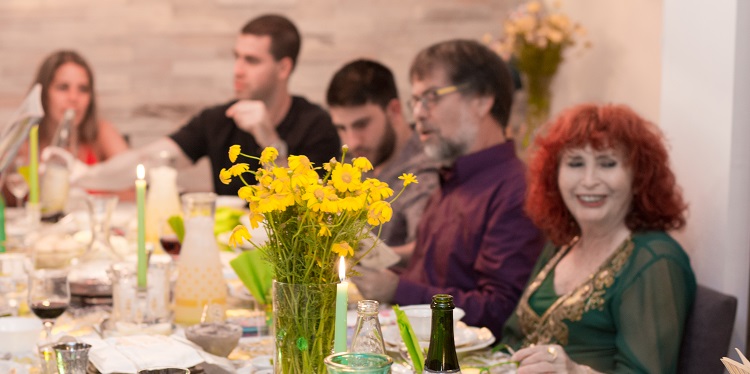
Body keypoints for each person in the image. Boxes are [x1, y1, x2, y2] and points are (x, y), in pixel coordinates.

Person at [350, 40, 545, 338]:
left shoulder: (516, 190)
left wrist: (396, 288)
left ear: (482, 99)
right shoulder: (452, 177)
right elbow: (433, 274)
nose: (419, 114)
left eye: (431, 97)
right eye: (415, 101)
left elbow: (500, 311)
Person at [501, 104, 696, 373]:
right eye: (575, 163)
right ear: (553, 175)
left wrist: (575, 371)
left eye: (607, 163)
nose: (589, 180)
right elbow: (511, 339)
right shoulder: (562, 243)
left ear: (637, 176)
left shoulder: (654, 259)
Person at [74, 14, 340, 196]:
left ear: (283, 68)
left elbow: (311, 211)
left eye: (252, 61)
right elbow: (149, 160)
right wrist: (82, 175)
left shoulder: (317, 125)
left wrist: (270, 141)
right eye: (237, 57)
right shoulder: (218, 119)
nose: (237, 70)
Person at [325, 59, 439, 260]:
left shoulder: (425, 168)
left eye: (361, 124)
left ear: (394, 110)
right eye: (342, 128)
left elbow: (427, 250)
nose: (352, 142)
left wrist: (363, 257)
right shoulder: (352, 161)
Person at [2, 50, 129, 205]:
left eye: (83, 89)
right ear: (43, 93)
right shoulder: (24, 142)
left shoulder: (101, 131)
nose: (74, 98)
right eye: (63, 87)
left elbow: (133, 190)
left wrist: (87, 182)